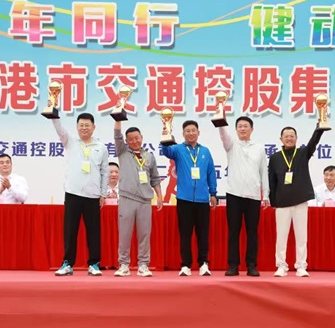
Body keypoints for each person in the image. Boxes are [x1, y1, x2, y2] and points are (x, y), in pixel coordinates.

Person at [53, 113, 109, 277]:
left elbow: (105, 171)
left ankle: (94, 264)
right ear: (77, 127)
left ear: (94, 127)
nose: (84, 128)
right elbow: (59, 128)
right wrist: (53, 113)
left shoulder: (101, 147)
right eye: (81, 125)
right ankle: (67, 263)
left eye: (87, 125)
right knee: (70, 231)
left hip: (93, 195)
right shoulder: (70, 141)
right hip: (73, 193)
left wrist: (103, 193)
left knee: (93, 232)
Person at [268, 126, 326, 277]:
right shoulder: (275, 158)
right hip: (282, 203)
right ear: (281, 139)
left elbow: (313, 143)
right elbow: (272, 181)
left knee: (301, 236)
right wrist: (273, 201)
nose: (289, 138)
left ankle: (301, 265)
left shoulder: (302, 153)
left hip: (300, 201)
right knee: (281, 237)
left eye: (292, 136)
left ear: (296, 138)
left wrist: (319, 129)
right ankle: (281, 265)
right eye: (286, 136)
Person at [162, 120, 217, 277]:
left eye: (193, 130)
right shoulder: (178, 149)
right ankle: (185, 265)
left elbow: (211, 173)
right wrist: (166, 133)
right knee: (185, 234)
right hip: (184, 199)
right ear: (183, 133)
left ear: (198, 133)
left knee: (203, 234)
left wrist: (213, 193)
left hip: (202, 200)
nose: (191, 133)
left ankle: (203, 264)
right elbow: (166, 151)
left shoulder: (205, 151)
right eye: (187, 131)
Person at [218, 116, 269, 277]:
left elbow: (263, 171)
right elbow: (223, 135)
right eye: (239, 126)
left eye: (246, 126)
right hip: (234, 194)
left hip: (253, 196)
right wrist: (220, 119)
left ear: (251, 129)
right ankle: (233, 265)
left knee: (252, 232)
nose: (242, 129)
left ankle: (251, 265)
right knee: (233, 232)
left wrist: (266, 193)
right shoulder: (231, 145)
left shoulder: (259, 148)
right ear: (236, 129)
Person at [113, 122, 163, 277]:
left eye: (137, 138)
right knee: (125, 234)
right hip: (127, 199)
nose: (134, 141)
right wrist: (118, 119)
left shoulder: (149, 157)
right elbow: (117, 135)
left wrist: (159, 196)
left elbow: (155, 178)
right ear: (126, 141)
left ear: (142, 137)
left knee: (144, 234)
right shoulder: (122, 152)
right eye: (131, 139)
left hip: (145, 201)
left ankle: (143, 265)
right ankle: (124, 264)